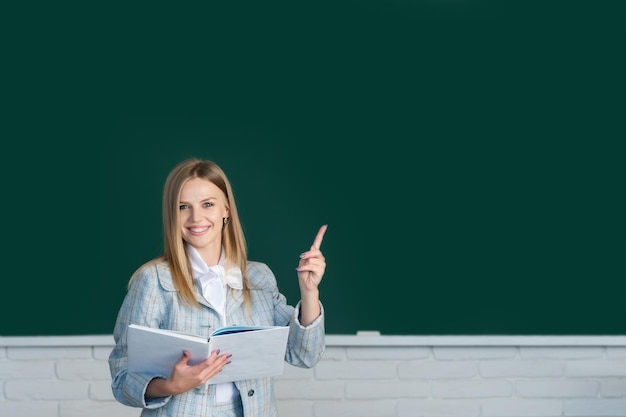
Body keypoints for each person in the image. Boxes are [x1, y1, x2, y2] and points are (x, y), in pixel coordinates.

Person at [108, 158, 327, 417]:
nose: (195, 218)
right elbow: (122, 379)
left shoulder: (258, 277)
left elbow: (303, 355)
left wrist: (309, 291)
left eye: (207, 204)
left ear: (226, 210)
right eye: (183, 207)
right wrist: (169, 385)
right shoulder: (153, 280)